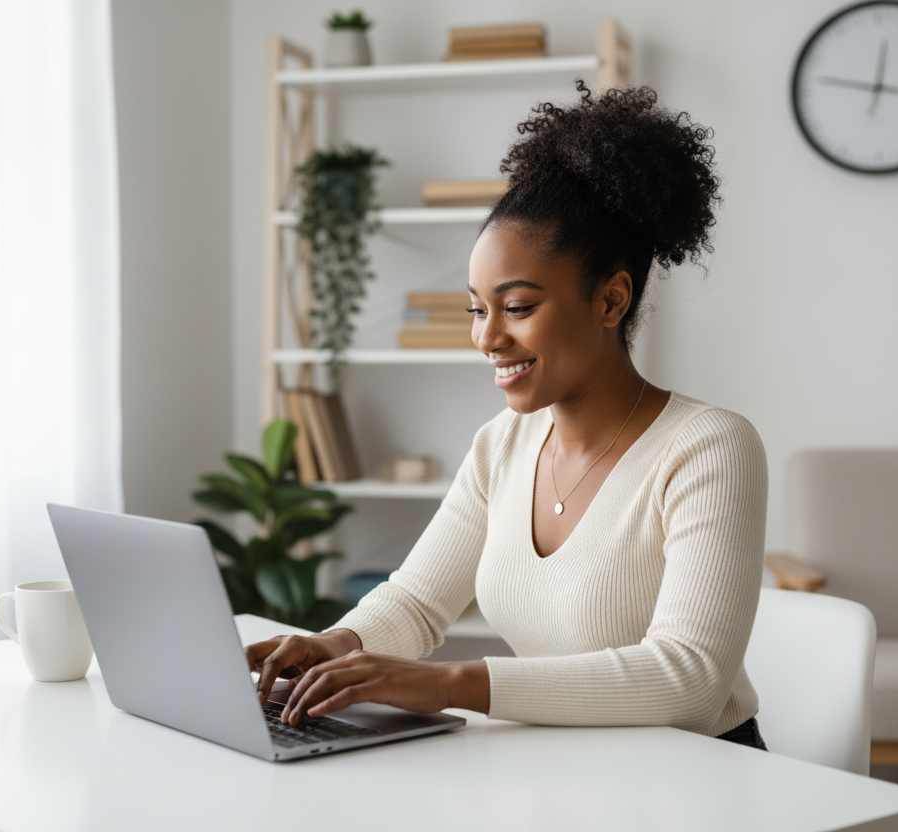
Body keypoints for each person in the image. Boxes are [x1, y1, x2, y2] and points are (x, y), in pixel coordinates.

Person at [247, 81, 769, 750]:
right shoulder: (502, 444)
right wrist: (336, 644)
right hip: (562, 765)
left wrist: (451, 684)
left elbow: (689, 679)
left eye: (518, 308)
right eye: (477, 309)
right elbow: (417, 602)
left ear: (611, 301)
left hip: (700, 775)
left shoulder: (709, 448)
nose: (487, 337)